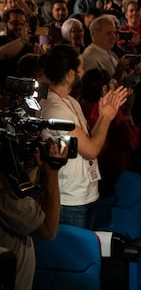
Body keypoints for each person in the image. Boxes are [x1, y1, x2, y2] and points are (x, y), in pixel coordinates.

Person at [37, 44, 128, 229]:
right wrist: (107, 119)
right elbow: (92, 150)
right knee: (72, 255)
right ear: (70, 74)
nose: (84, 72)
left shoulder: (70, 101)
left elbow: (87, 140)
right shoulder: (54, 109)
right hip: (69, 199)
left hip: (84, 194)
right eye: (81, 68)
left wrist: (103, 116)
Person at [0, 101, 68, 290]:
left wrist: (30, 165)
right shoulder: (4, 189)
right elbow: (48, 230)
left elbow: (27, 192)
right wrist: (51, 172)